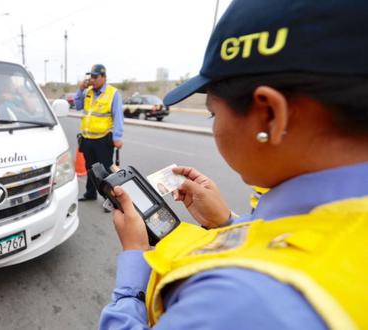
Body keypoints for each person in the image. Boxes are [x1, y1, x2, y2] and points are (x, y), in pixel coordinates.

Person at [100, 0, 368, 329]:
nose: (214, 126)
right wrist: (227, 224)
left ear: (270, 116)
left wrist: (135, 261)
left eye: (213, 112)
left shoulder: (240, 300)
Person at [74, 64, 124, 207]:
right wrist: (80, 89)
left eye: (96, 77)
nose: (93, 80)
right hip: (87, 139)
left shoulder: (113, 93)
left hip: (103, 139)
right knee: (90, 168)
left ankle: (111, 198)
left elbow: (118, 116)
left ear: (103, 77)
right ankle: (90, 193)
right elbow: (78, 105)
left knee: (106, 170)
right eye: (91, 77)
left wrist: (117, 136)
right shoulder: (88, 91)